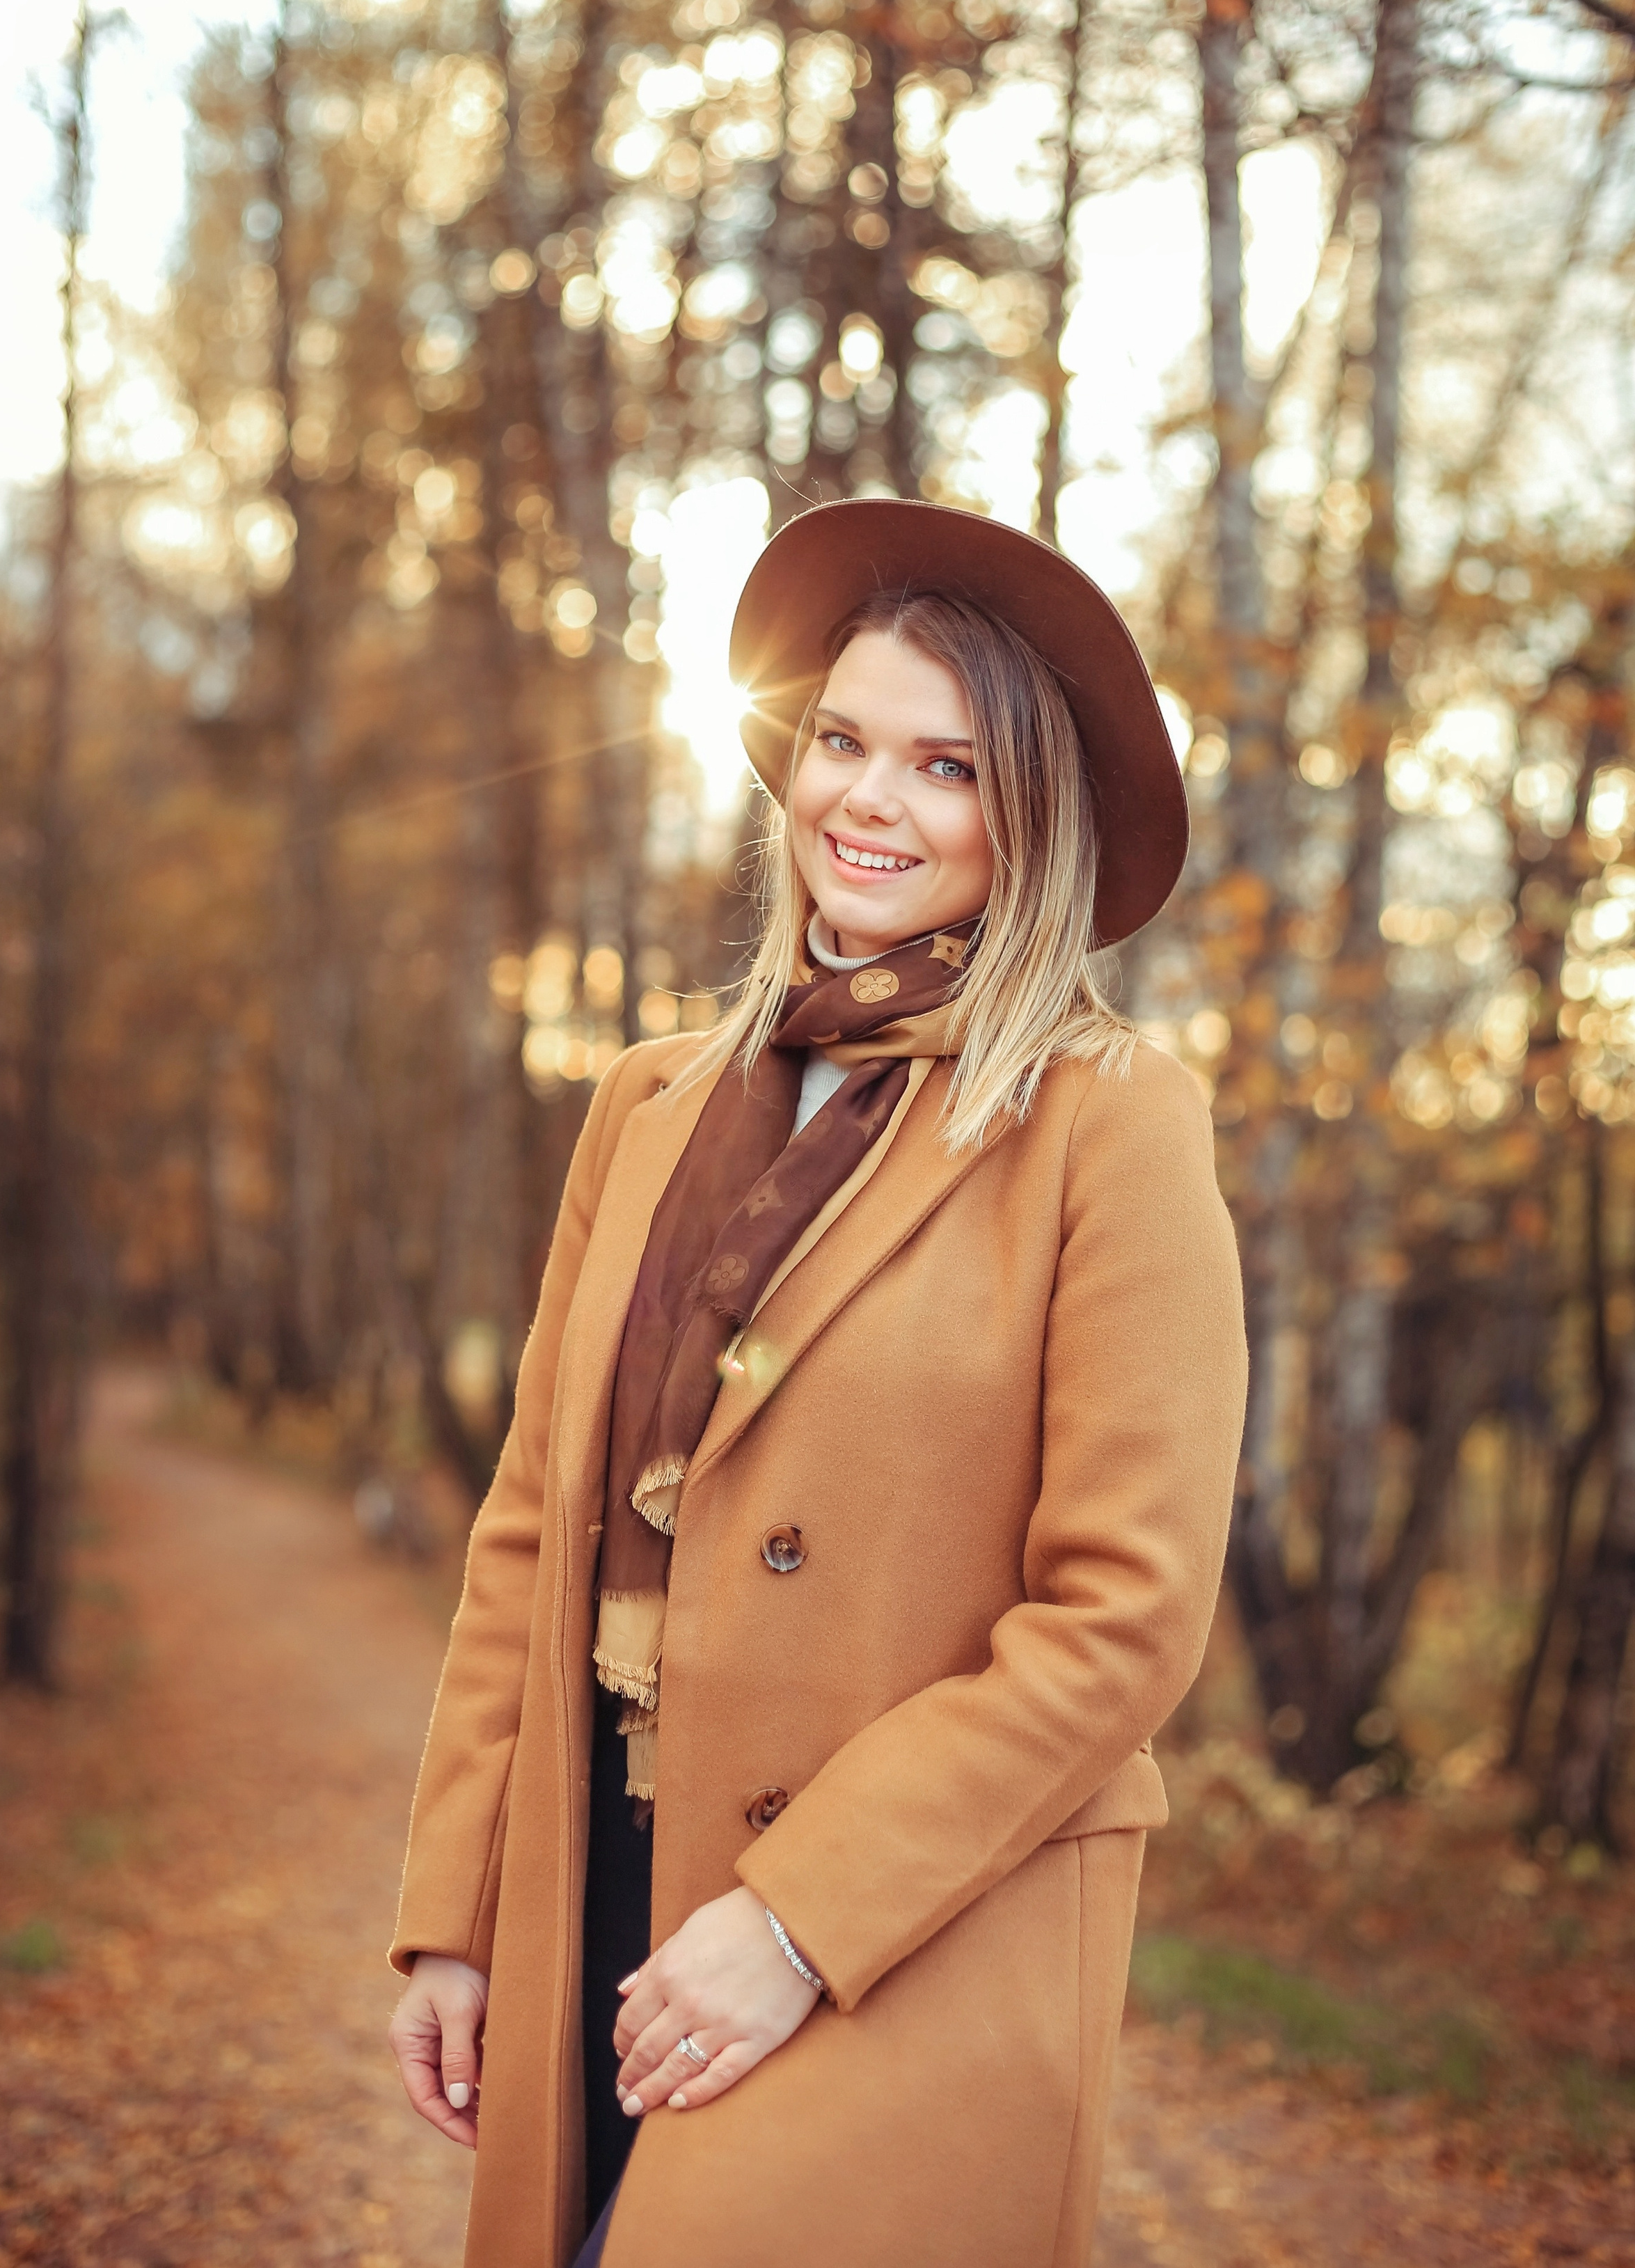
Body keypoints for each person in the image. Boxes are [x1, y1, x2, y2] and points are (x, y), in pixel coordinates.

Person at [386, 497, 1248, 2268]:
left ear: (1031, 818)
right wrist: (460, 1913)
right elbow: (531, 1527)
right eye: (840, 742)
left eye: (943, 767)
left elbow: (1122, 1616)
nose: (867, 800)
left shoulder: (1110, 1123)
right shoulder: (646, 1105)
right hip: (595, 1866)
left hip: (911, 1921)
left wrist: (792, 1923)